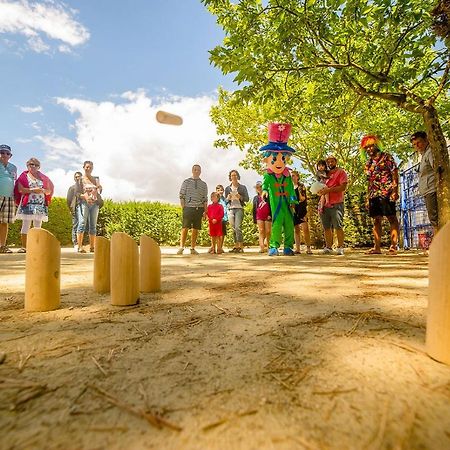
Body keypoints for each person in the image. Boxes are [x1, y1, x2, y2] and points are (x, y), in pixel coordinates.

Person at [260, 122, 297, 256]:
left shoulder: (287, 175)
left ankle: (288, 246)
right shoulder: (268, 175)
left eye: (282, 158)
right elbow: (265, 185)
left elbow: (291, 188)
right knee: (276, 223)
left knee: (289, 224)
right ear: (267, 160)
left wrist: (293, 198)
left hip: (287, 204)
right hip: (276, 203)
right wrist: (264, 191)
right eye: (275, 159)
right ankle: (274, 246)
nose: (279, 162)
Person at [362, 135, 400, 255]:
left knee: (391, 218)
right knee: (376, 220)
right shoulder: (368, 163)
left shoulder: (387, 157)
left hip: (387, 192)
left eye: (371, 146)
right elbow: (369, 181)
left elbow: (394, 173)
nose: (369, 149)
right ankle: (377, 248)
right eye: (366, 147)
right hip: (374, 194)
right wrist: (368, 198)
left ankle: (393, 246)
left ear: (377, 145)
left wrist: (395, 191)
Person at [14, 157, 54, 252]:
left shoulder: (44, 178)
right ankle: (24, 247)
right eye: (31, 164)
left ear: (39, 167)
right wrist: (33, 190)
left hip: (40, 203)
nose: (34, 166)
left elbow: (49, 191)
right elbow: (20, 190)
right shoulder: (23, 176)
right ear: (27, 165)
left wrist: (43, 190)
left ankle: (36, 247)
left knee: (38, 225)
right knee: (26, 224)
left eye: (36, 165)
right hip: (27, 202)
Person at [317, 155, 348, 255]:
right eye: (328, 162)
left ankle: (340, 247)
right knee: (326, 227)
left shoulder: (341, 172)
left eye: (332, 161)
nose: (330, 163)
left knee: (338, 226)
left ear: (336, 161)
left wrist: (329, 190)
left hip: (336, 203)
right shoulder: (324, 174)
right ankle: (328, 247)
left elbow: (343, 187)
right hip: (324, 204)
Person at [410, 131, 438, 234]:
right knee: (434, 220)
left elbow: (437, 168)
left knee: (435, 220)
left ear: (426, 140)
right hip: (427, 190)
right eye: (414, 144)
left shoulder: (430, 152)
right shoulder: (424, 155)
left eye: (419, 142)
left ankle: (439, 247)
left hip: (432, 190)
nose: (417, 146)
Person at [177, 164, 208, 255]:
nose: (196, 171)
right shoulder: (186, 182)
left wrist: (205, 211)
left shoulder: (204, 184)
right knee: (185, 227)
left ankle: (192, 248)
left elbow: (205, 198)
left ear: (200, 171)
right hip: (188, 207)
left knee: (195, 229)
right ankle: (181, 247)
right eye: (195, 169)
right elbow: (181, 194)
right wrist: (183, 206)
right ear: (192, 170)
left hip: (199, 208)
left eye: (198, 170)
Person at [76, 161, 102, 253]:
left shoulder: (96, 179)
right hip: (84, 204)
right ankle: (79, 247)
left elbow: (100, 190)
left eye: (90, 167)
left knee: (93, 226)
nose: (89, 169)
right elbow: (77, 193)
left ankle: (92, 247)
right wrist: (85, 196)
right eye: (87, 167)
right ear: (83, 167)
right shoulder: (80, 180)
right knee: (82, 223)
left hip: (94, 204)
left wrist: (99, 188)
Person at [225, 169, 249, 253]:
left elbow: (247, 199)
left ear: (237, 176)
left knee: (238, 227)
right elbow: (225, 201)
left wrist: (240, 197)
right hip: (231, 209)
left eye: (235, 175)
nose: (233, 177)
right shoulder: (227, 188)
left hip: (239, 208)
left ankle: (241, 246)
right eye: (232, 175)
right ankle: (236, 246)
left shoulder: (242, 187)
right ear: (230, 177)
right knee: (233, 228)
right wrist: (227, 198)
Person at [0, 145, 17, 253]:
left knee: (4, 222)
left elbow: (14, 181)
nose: (4, 155)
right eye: (2, 152)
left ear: (10, 155)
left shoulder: (13, 167)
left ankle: (2, 246)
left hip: (9, 198)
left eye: (7, 153)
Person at [291, 170, 313, 254]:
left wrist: (299, 195)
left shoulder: (301, 186)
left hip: (302, 209)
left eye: (293, 175)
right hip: (294, 210)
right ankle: (297, 248)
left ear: (297, 177)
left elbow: (303, 198)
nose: (292, 177)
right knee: (296, 229)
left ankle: (308, 248)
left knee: (305, 229)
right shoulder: (289, 187)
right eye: (291, 176)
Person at [252, 181, 271, 253]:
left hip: (267, 215)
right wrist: (254, 219)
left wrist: (270, 214)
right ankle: (262, 247)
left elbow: (271, 206)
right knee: (261, 231)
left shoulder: (267, 196)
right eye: (257, 187)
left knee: (268, 231)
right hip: (259, 216)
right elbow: (254, 209)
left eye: (260, 186)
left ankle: (269, 246)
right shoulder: (255, 198)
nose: (259, 188)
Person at [66, 171, 83, 250]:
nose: (77, 178)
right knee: (75, 225)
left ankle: (81, 243)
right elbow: (68, 200)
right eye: (76, 177)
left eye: (79, 176)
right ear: (74, 178)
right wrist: (70, 209)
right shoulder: (72, 188)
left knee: (82, 225)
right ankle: (75, 243)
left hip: (83, 208)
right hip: (75, 208)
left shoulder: (84, 188)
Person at [215, 184, 228, 254]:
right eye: (218, 190)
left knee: (223, 233)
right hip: (217, 219)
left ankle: (220, 247)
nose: (220, 191)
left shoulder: (224, 199)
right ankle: (217, 247)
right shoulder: (216, 199)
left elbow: (227, 207)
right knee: (217, 234)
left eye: (221, 190)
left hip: (224, 218)